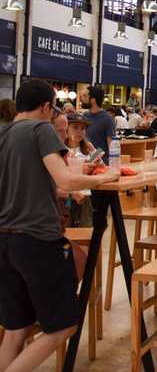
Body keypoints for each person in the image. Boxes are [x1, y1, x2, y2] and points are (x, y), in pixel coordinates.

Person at [0, 79, 119, 372]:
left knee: (16, 329)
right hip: (37, 238)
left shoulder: (4, 133)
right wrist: (103, 178)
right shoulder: (40, 130)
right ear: (45, 107)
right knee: (63, 326)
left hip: (5, 240)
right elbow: (64, 180)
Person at [62, 113, 97, 227]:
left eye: (83, 128)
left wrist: (94, 164)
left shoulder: (88, 147)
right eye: (75, 127)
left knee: (85, 226)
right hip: (66, 196)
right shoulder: (61, 149)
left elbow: (102, 166)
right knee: (66, 227)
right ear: (66, 129)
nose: (80, 131)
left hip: (85, 194)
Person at [81, 85, 115, 164]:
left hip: (100, 163)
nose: (82, 98)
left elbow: (111, 146)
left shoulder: (107, 118)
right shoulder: (84, 116)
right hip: (85, 161)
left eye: (85, 96)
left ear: (93, 100)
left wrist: (92, 158)